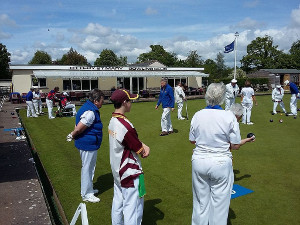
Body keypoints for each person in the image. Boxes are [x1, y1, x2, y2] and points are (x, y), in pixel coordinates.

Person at [189, 83, 255, 225]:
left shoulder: (197, 115)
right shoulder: (228, 117)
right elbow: (235, 145)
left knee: (200, 203)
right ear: (223, 97)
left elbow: (192, 141)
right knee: (219, 206)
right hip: (220, 162)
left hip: (199, 161)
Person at [108, 89, 150, 225]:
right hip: (129, 172)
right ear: (124, 103)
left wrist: (139, 144)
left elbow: (130, 141)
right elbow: (141, 150)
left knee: (118, 205)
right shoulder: (125, 125)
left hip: (117, 171)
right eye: (130, 101)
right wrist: (145, 148)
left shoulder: (113, 120)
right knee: (133, 209)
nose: (131, 103)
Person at [66, 89, 105, 203]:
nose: (103, 102)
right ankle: (86, 194)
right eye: (102, 100)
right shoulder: (90, 112)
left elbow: (77, 124)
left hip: (89, 143)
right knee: (87, 168)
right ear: (96, 101)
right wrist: (72, 134)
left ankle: (89, 189)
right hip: (87, 144)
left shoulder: (88, 107)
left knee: (89, 168)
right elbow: (79, 127)